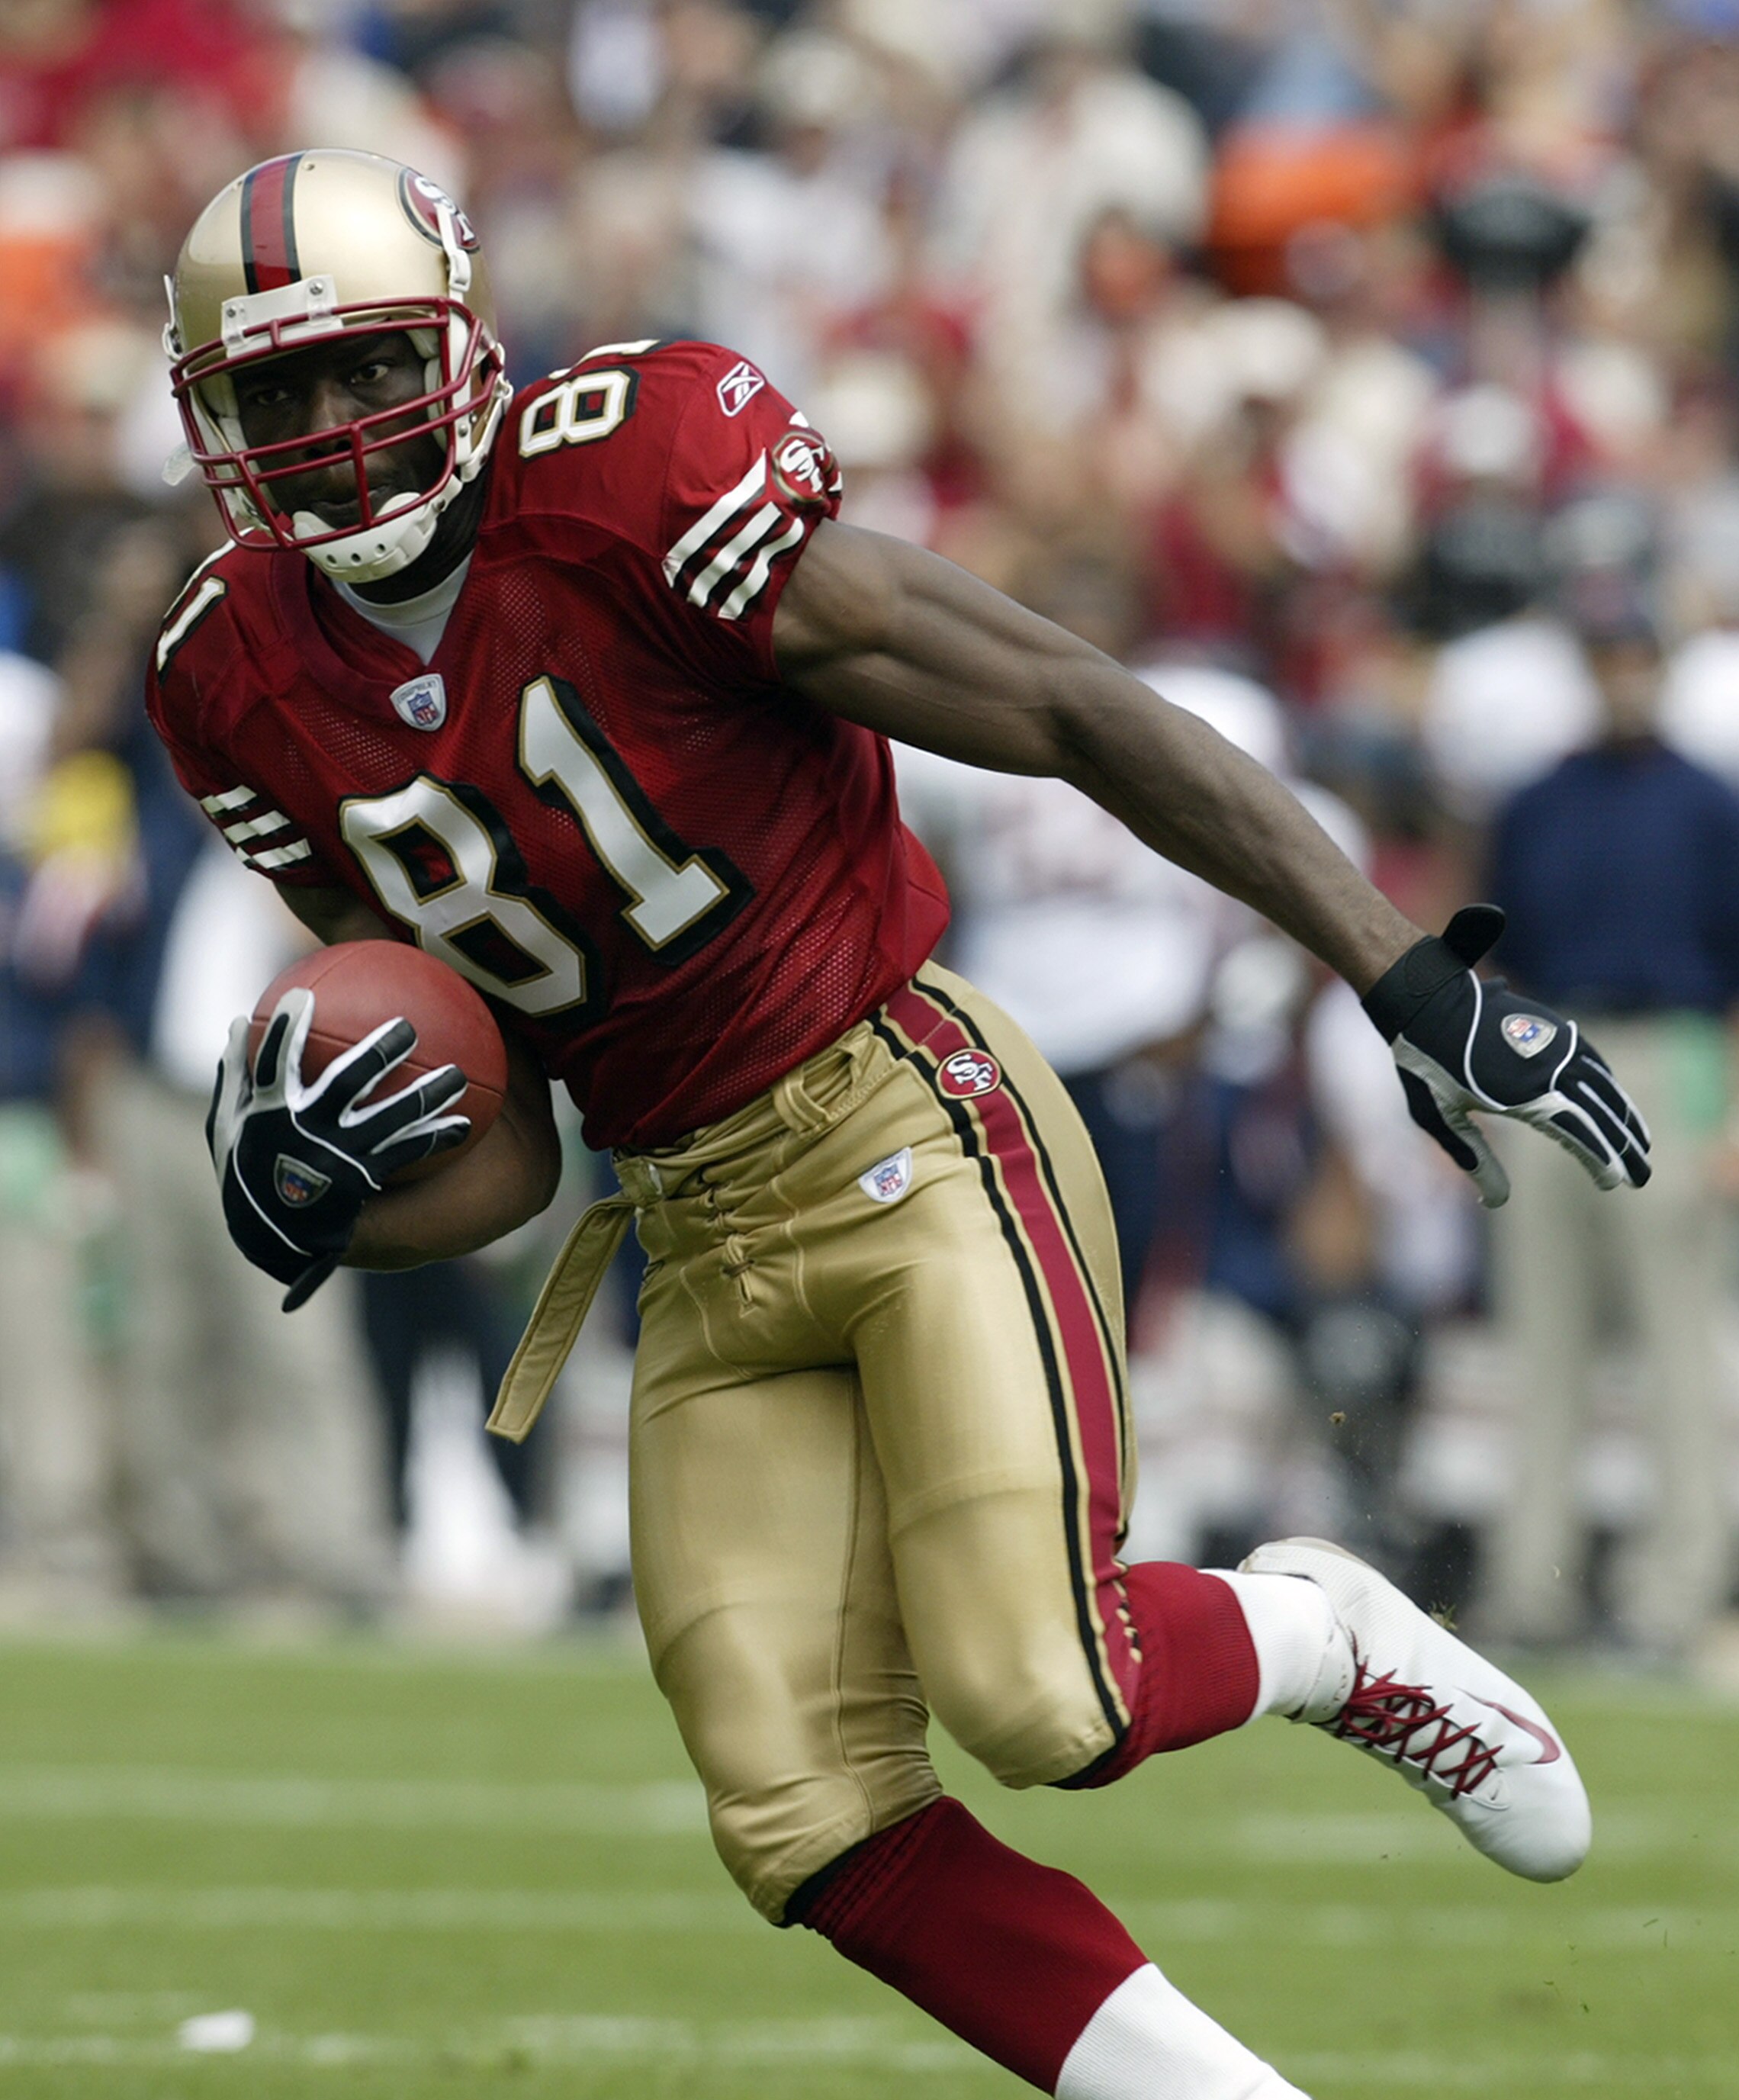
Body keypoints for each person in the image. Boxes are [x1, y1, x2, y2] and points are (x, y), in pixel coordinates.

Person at [146, 151, 1651, 2100]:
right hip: (681, 1216)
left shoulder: (629, 480)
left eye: (365, 368)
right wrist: (329, 1189)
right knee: (801, 1812)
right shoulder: (229, 678)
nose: (335, 430)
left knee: (1049, 1697)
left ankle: (1331, 1633)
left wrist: (1402, 973)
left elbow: (1065, 700)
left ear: (460, 342)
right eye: (278, 391)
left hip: (900, 1115)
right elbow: (502, 1134)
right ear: (213, 419)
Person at [1481, 587, 1739, 1661]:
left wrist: (1732, 1113)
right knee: (1542, 1335)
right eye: (1606, 655)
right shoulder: (1536, 801)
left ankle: (1671, 1594)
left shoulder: (1709, 802)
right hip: (1548, 1047)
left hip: (1674, 1049)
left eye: (1635, 653)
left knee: (1679, 1337)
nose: (1622, 671)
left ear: (1660, 663)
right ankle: (1531, 1588)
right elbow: (1495, 953)